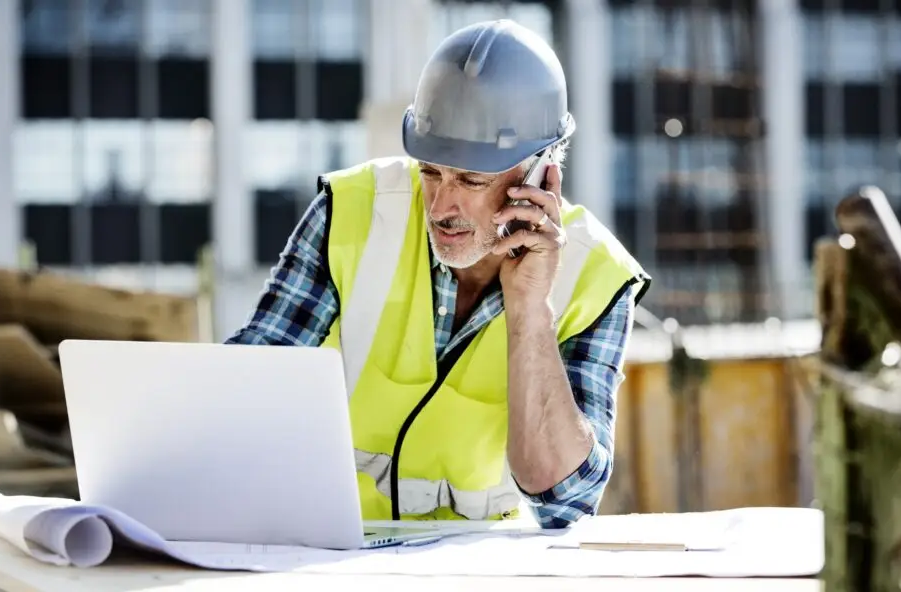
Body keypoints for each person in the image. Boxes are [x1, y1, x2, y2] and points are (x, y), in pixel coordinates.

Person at [226, 19, 651, 529]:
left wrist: (531, 311)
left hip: (474, 573)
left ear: (542, 175)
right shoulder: (350, 213)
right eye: (430, 171)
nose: (442, 205)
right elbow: (245, 394)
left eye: (471, 179)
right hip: (327, 555)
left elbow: (565, 501)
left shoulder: (597, 277)